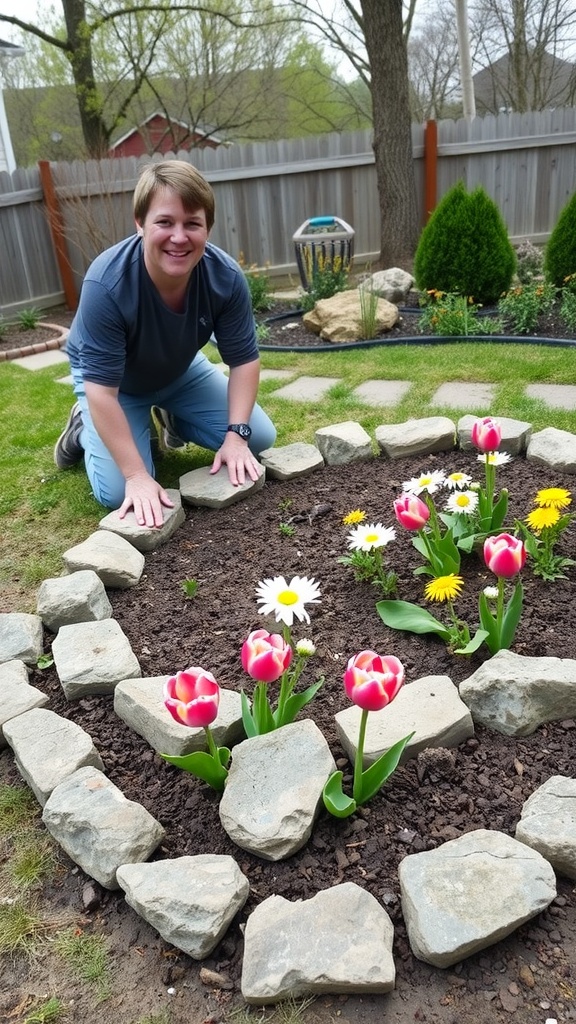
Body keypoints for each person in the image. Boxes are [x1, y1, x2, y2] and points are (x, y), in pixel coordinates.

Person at [54, 159, 276, 528]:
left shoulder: (225, 277)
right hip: (114, 385)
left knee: (258, 437)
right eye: (164, 222)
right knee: (117, 491)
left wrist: (236, 437)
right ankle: (82, 425)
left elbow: (244, 362)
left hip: (179, 369)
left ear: (207, 228)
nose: (178, 236)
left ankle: (174, 416)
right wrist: (137, 477)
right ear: (140, 223)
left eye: (192, 223)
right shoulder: (106, 284)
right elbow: (102, 392)